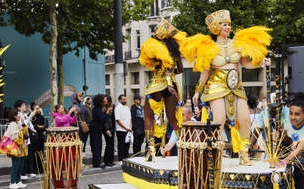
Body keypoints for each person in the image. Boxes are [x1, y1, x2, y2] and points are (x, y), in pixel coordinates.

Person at [181, 10, 271, 165]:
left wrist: (259, 62)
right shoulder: (209, 47)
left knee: (244, 118)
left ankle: (244, 153)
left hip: (236, 85)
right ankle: (214, 154)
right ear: (216, 27)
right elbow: (205, 72)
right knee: (219, 120)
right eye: (224, 25)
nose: (228, 28)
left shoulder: (236, 43)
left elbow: (244, 63)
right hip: (216, 86)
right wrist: (197, 91)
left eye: (229, 25)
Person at [137, 19, 186, 161]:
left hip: (156, 85)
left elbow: (152, 66)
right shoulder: (174, 49)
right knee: (173, 119)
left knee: (148, 117)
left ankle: (151, 150)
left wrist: (164, 76)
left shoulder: (153, 48)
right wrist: (171, 75)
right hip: (172, 87)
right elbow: (181, 69)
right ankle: (184, 146)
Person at [4, 106, 29, 189]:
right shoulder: (12, 124)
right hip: (15, 148)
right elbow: (15, 137)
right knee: (15, 165)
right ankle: (12, 182)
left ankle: (18, 181)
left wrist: (23, 124)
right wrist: (22, 143)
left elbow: (25, 132)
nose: (20, 116)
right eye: (18, 114)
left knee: (20, 165)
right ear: (14, 116)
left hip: (20, 148)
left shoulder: (18, 123)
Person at [90, 94, 108, 168]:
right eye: (104, 100)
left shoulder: (99, 109)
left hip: (98, 130)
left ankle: (97, 162)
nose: (105, 101)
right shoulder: (97, 110)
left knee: (98, 146)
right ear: (100, 101)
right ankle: (97, 163)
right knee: (96, 147)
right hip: (95, 131)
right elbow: (102, 119)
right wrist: (106, 113)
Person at [29, 102, 47, 175]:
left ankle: (41, 169)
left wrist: (41, 127)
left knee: (41, 154)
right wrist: (38, 127)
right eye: (37, 108)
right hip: (33, 139)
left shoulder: (41, 116)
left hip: (40, 138)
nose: (38, 110)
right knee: (34, 155)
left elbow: (45, 126)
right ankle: (34, 170)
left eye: (39, 108)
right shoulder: (30, 116)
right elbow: (32, 126)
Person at [114, 94, 132, 161]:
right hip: (121, 130)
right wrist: (126, 128)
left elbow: (130, 119)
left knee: (127, 145)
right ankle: (121, 160)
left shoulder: (127, 108)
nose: (125, 100)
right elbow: (118, 121)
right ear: (120, 100)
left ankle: (126, 159)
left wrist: (130, 127)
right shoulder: (117, 108)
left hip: (128, 130)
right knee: (121, 146)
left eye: (125, 99)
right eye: (124, 99)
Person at [103, 95, 115, 167]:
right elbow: (104, 119)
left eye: (105, 99)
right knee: (108, 144)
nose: (104, 100)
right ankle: (106, 161)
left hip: (112, 128)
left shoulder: (113, 106)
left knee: (111, 144)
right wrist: (107, 111)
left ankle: (111, 160)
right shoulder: (103, 108)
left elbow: (113, 118)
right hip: (106, 129)